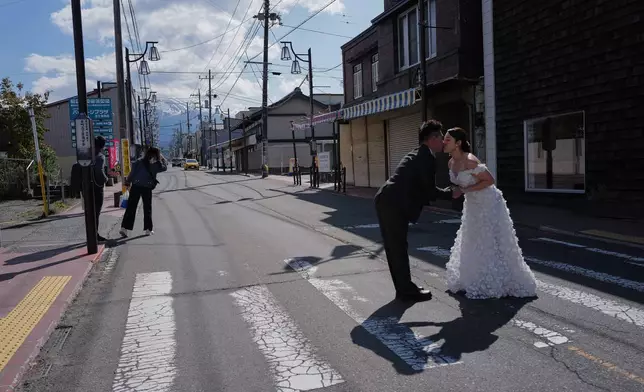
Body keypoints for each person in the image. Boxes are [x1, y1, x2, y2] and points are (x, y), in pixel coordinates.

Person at [443, 127, 537, 299]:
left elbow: (490, 180)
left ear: (458, 143)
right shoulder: (450, 162)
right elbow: (459, 184)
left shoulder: (470, 161)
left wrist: (465, 190)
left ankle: (497, 280)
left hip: (488, 202)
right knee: (471, 238)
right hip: (472, 204)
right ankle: (471, 278)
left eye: (447, 139)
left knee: (487, 239)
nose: (444, 142)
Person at [374, 120, 460, 302]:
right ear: (432, 139)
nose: (444, 142)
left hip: (389, 201)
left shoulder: (419, 153)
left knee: (396, 247)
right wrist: (450, 193)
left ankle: (405, 288)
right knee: (397, 247)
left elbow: (422, 189)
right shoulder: (426, 158)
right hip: (392, 203)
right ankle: (405, 291)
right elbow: (429, 190)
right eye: (441, 138)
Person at [119, 147, 167, 237]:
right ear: (157, 155)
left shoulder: (139, 161)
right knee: (147, 208)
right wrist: (162, 158)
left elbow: (132, 173)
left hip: (136, 186)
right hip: (147, 187)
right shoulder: (156, 164)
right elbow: (165, 168)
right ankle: (148, 229)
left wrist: (128, 181)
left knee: (131, 207)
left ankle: (124, 228)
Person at [93, 136, 109, 242]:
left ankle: (91, 233)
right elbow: (99, 171)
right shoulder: (100, 157)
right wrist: (106, 179)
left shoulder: (87, 155)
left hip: (86, 187)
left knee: (90, 212)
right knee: (96, 212)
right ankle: (95, 235)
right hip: (97, 187)